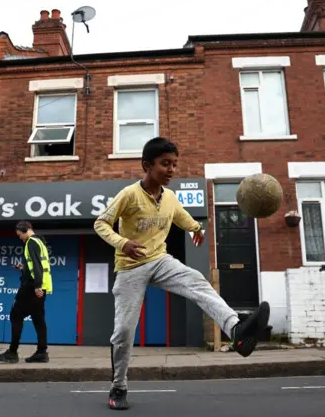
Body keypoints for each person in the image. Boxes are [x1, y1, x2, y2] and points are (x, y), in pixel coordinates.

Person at [94, 137, 271, 410]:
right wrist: (123, 243)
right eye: (165, 164)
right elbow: (101, 223)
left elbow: (182, 216)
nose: (172, 169)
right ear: (147, 165)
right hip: (130, 267)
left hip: (160, 260)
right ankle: (119, 386)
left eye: (174, 164)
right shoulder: (129, 194)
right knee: (123, 332)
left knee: (196, 280)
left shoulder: (170, 197)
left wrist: (196, 229)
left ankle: (236, 329)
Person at [0, 221, 52, 364]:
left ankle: (12, 353)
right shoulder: (39, 242)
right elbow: (36, 265)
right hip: (41, 286)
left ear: (25, 230)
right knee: (39, 319)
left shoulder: (31, 242)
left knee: (16, 315)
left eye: (20, 235)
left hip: (32, 287)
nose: (20, 238)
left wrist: (37, 286)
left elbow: (37, 265)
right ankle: (42, 352)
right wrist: (23, 269)